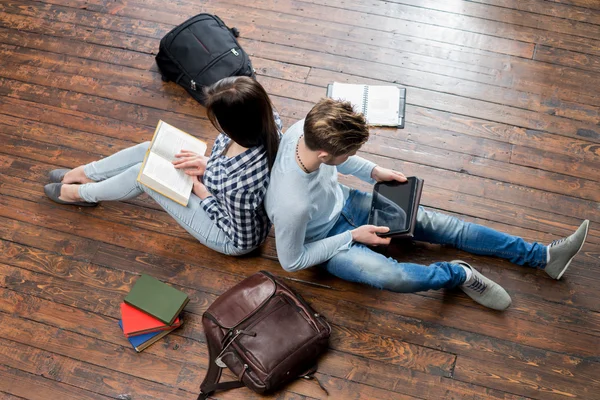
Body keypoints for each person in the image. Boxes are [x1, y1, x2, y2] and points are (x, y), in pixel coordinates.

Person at [264, 98, 589, 310]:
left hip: (348, 203)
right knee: (392, 277)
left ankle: (543, 256)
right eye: (346, 152)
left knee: (446, 226)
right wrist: (353, 237)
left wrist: (375, 171)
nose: (348, 158)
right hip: (328, 241)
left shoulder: (303, 132)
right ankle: (458, 275)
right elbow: (292, 261)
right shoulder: (293, 205)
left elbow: (341, 162)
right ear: (324, 155)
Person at [44, 76, 281, 256]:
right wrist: (208, 164)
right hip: (220, 183)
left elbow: (238, 234)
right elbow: (230, 166)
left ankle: (80, 194)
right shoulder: (268, 120)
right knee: (151, 147)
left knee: (142, 174)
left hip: (227, 234)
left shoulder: (238, 185)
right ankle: (85, 172)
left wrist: (203, 193)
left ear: (233, 125)